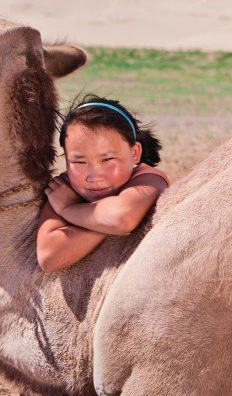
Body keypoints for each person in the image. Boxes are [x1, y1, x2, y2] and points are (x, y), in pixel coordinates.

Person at [36, 96, 170, 273]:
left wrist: (68, 209)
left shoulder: (149, 179)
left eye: (107, 159)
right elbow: (49, 256)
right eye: (80, 162)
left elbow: (121, 217)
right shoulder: (64, 189)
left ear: (135, 153)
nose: (93, 176)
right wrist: (105, 224)